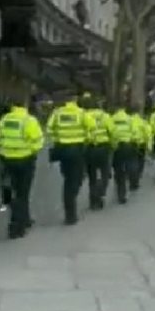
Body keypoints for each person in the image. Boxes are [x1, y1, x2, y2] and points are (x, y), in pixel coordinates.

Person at [0, 93, 44, 238]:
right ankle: (16, 226)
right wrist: (30, 151)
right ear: (25, 104)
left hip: (7, 160)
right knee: (22, 193)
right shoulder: (29, 121)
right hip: (25, 161)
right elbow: (38, 141)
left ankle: (25, 219)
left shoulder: (4, 120)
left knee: (12, 190)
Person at [46, 89, 87, 225]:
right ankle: (71, 211)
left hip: (62, 149)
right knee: (77, 178)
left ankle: (69, 212)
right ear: (75, 100)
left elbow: (49, 129)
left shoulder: (57, 113)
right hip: (77, 149)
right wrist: (85, 139)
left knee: (68, 179)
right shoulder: (81, 113)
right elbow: (91, 128)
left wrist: (58, 138)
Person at [82, 94, 113, 210]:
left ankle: (93, 200)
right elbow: (112, 132)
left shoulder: (84, 116)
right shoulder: (105, 116)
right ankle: (100, 192)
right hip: (104, 147)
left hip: (89, 148)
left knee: (92, 175)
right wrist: (113, 145)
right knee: (105, 173)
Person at [109, 102, 137, 204]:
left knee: (118, 170)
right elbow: (134, 132)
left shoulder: (112, 119)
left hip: (117, 147)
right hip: (127, 145)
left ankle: (121, 193)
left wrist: (113, 144)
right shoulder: (129, 119)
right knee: (129, 165)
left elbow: (111, 133)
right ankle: (131, 181)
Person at [129, 106, 151, 190]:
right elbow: (147, 134)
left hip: (131, 143)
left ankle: (132, 178)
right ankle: (137, 178)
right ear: (138, 112)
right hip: (141, 144)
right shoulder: (143, 122)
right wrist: (149, 146)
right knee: (140, 161)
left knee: (132, 162)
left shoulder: (128, 121)